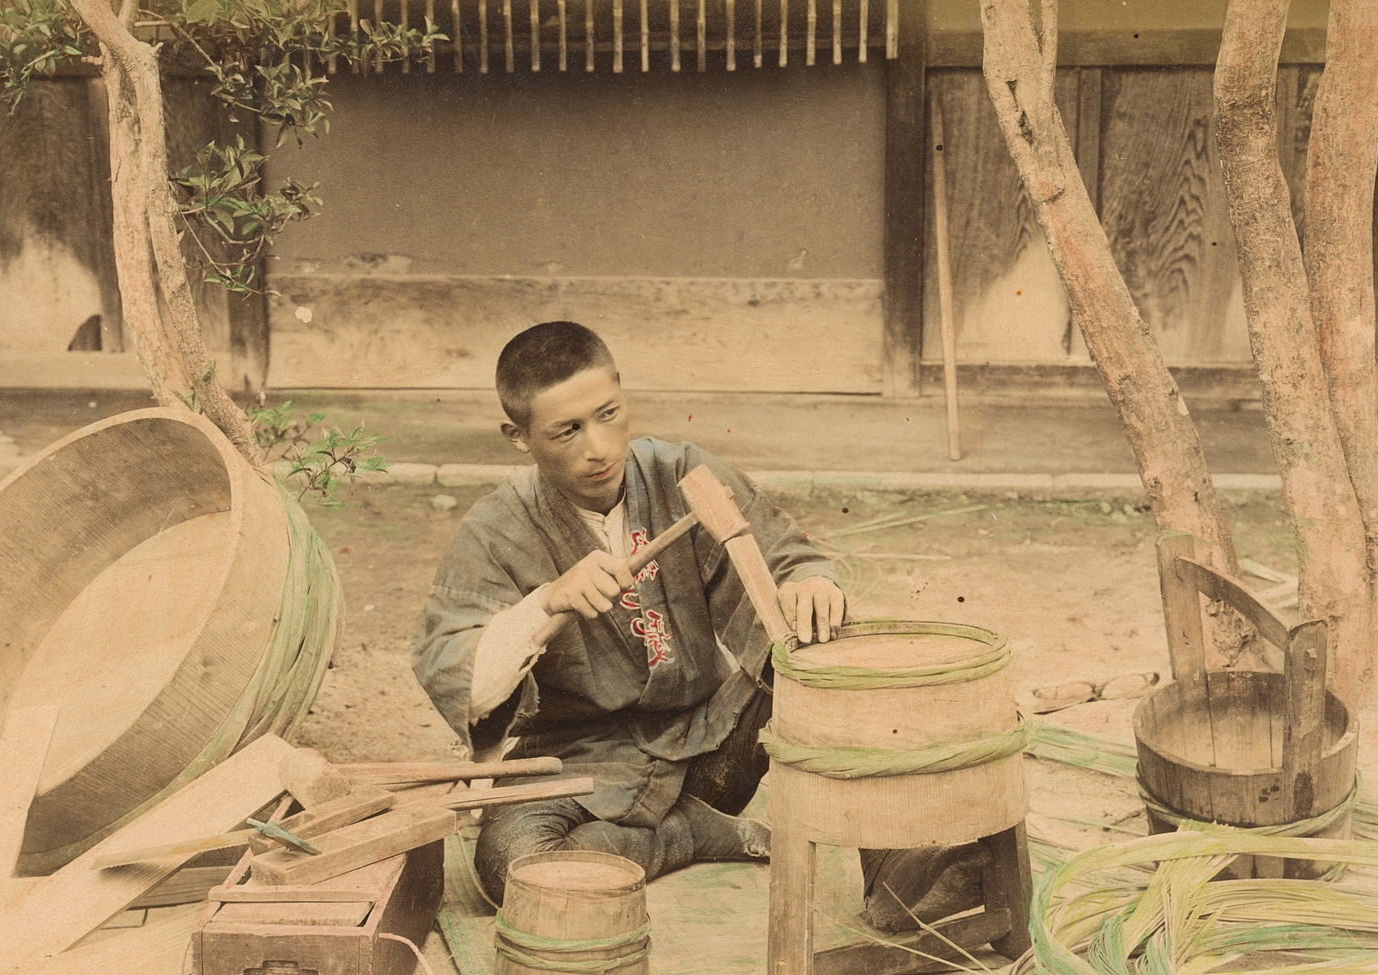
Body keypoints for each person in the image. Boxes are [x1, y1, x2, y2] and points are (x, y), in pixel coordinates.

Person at [412, 321, 983, 927]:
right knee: (512, 871)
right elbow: (462, 680)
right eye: (567, 431)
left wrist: (811, 584)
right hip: (576, 768)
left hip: (712, 746)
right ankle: (691, 834)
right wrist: (545, 604)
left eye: (608, 415)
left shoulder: (682, 473)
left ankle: (896, 865)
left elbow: (785, 555)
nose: (598, 447)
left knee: (815, 654)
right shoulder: (495, 528)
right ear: (518, 436)